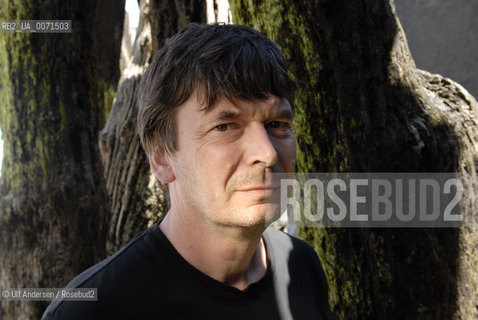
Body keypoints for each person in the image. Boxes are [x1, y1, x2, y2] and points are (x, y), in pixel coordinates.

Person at [41, 23, 332, 320]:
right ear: (161, 156)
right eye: (225, 127)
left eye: (277, 125)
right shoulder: (91, 311)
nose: (267, 153)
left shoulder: (301, 267)